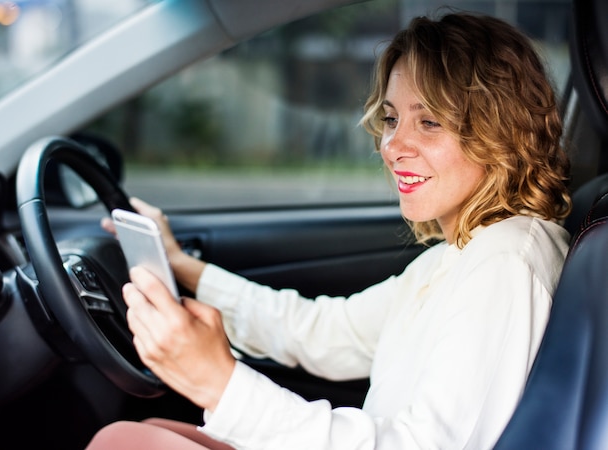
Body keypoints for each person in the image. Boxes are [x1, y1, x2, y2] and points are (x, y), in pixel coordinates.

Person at [86, 11, 572, 450]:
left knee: (123, 442)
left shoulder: (507, 261)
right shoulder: (457, 257)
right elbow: (321, 332)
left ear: (500, 132)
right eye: (391, 118)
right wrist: (184, 267)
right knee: (140, 434)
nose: (393, 145)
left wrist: (222, 385)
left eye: (429, 122)